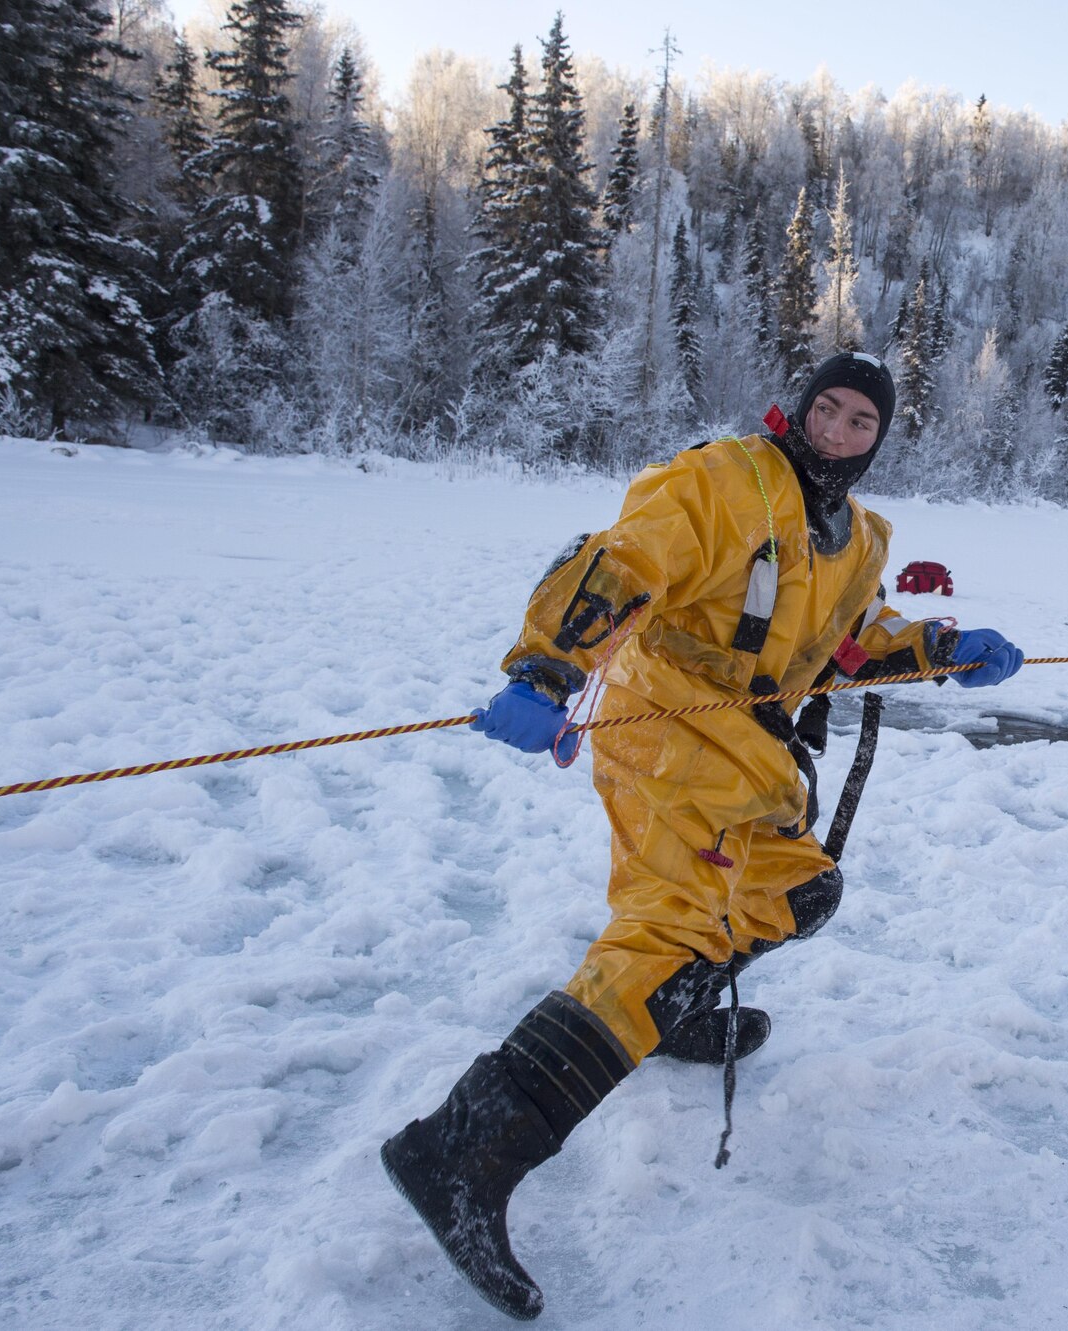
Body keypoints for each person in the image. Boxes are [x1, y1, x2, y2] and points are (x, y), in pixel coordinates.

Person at [380, 351, 1023, 1320]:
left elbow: (844, 642)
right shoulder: (722, 481)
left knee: (793, 889)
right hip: (666, 729)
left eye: (863, 423)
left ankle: (665, 1013)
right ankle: (462, 1146)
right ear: (796, 408)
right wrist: (547, 670)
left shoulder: (859, 535)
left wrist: (936, 648)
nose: (842, 432)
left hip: (741, 751)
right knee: (676, 923)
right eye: (829, 410)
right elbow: (621, 560)